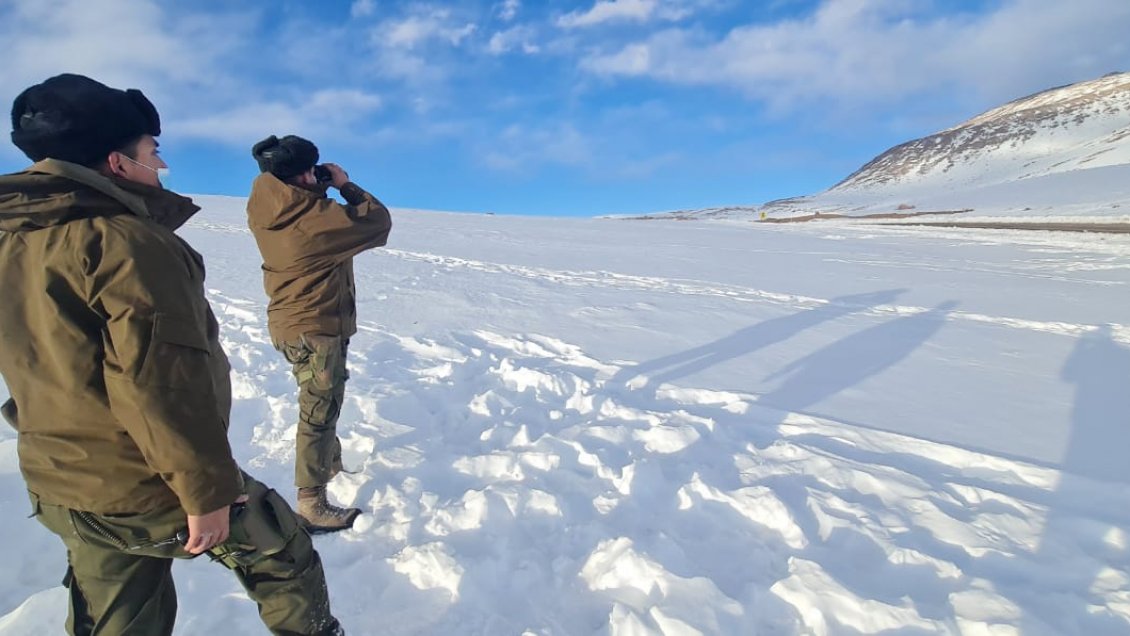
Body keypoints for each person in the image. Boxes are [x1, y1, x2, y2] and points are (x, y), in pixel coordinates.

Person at [0, 74, 344, 636]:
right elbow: (157, 380)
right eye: (151, 150)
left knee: (119, 614)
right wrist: (205, 492)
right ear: (117, 161)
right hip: (140, 479)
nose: (160, 164)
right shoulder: (128, 242)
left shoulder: (12, 236)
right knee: (284, 556)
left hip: (62, 476)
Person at [247, 135, 392, 533]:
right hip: (316, 327)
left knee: (321, 399)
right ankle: (311, 502)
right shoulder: (314, 221)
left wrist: (314, 185)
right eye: (311, 171)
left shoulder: (270, 206)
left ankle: (330, 465)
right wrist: (344, 184)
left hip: (292, 323)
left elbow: (305, 206)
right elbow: (377, 222)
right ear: (301, 177)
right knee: (318, 410)